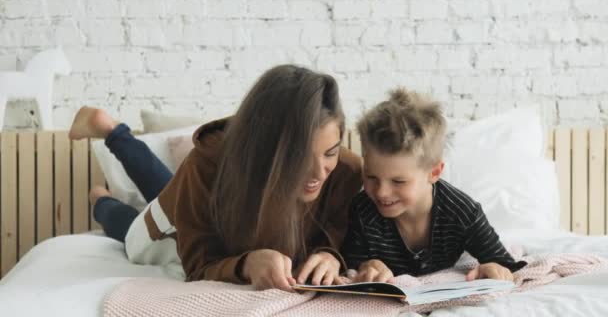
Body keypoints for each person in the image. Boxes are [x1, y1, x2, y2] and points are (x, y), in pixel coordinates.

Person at [69, 65, 363, 291]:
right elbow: (197, 267)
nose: (318, 173)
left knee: (168, 186)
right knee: (130, 230)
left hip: (191, 194)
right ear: (266, 151)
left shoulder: (346, 171)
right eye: (299, 158)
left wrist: (330, 256)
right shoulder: (207, 165)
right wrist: (247, 264)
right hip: (164, 230)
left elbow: (335, 235)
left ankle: (111, 130)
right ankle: (101, 199)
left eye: (330, 152)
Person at [340, 88, 526, 284]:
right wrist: (367, 266)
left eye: (398, 181)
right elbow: (349, 264)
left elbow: (504, 264)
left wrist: (493, 266)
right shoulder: (362, 211)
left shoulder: (463, 213)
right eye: (371, 176)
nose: (381, 192)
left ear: (434, 172)